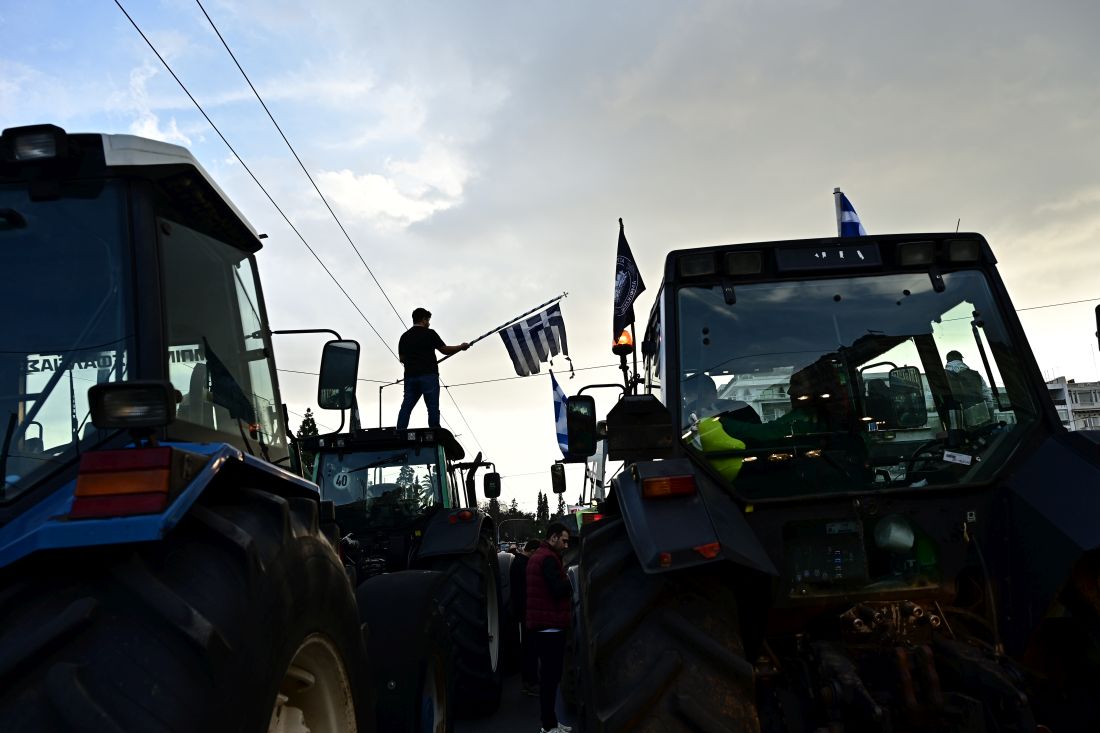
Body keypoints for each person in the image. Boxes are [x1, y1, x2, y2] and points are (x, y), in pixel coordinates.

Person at [526, 523, 573, 733]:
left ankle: (551, 722)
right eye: (563, 540)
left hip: (543, 626)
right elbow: (556, 589)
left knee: (549, 679)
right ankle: (548, 725)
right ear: (553, 537)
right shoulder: (548, 559)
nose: (565, 545)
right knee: (550, 680)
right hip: (550, 628)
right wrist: (572, 581)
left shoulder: (538, 556)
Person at [396, 307, 469, 429]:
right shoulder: (430, 333)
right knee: (432, 406)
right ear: (424, 319)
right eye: (428, 320)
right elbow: (444, 350)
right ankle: (434, 431)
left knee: (406, 406)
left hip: (410, 377)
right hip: (428, 375)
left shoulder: (404, 337)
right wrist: (460, 347)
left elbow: (402, 358)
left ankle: (400, 431)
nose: (429, 323)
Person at [510, 539, 541, 697]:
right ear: (533, 550)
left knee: (530, 648)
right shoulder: (523, 565)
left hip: (524, 613)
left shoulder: (518, 562)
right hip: (527, 613)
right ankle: (530, 682)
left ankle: (530, 681)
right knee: (530, 649)